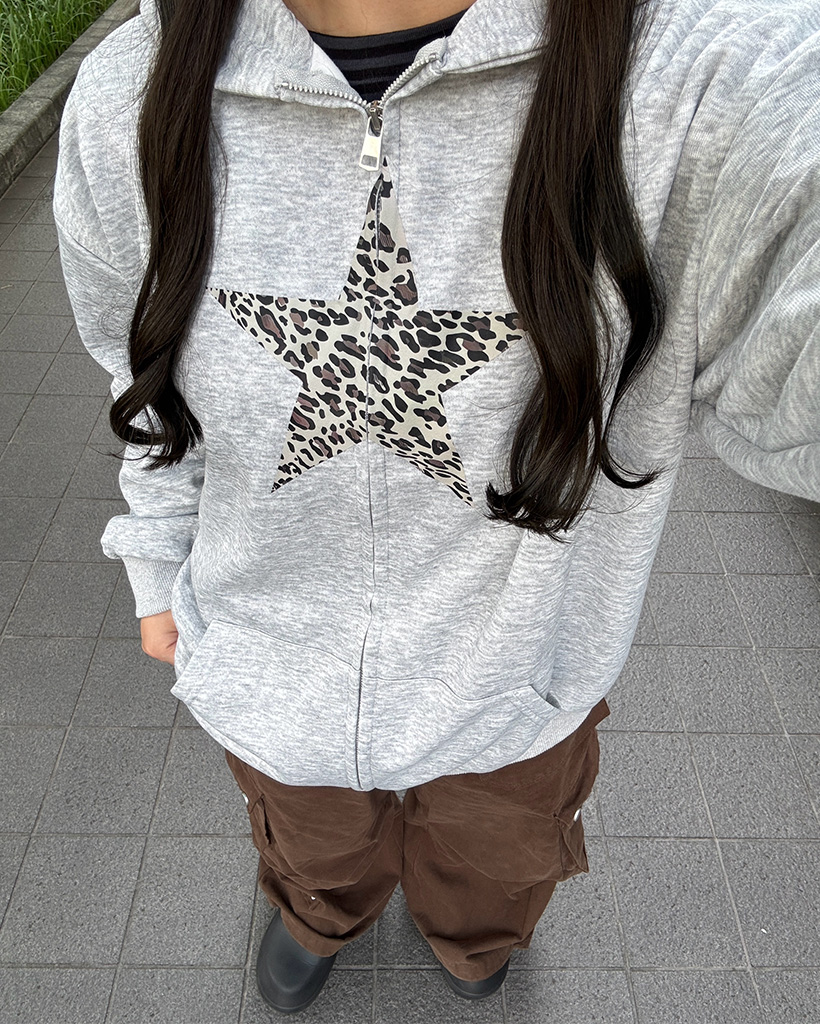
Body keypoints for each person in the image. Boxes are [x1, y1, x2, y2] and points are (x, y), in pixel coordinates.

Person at [53, 0, 819, 1015]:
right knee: (312, 847)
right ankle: (320, 914)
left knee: (497, 861)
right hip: (273, 680)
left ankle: (475, 936)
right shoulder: (129, 98)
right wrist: (157, 561)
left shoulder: (694, 80)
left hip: (519, 690)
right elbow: (144, 379)